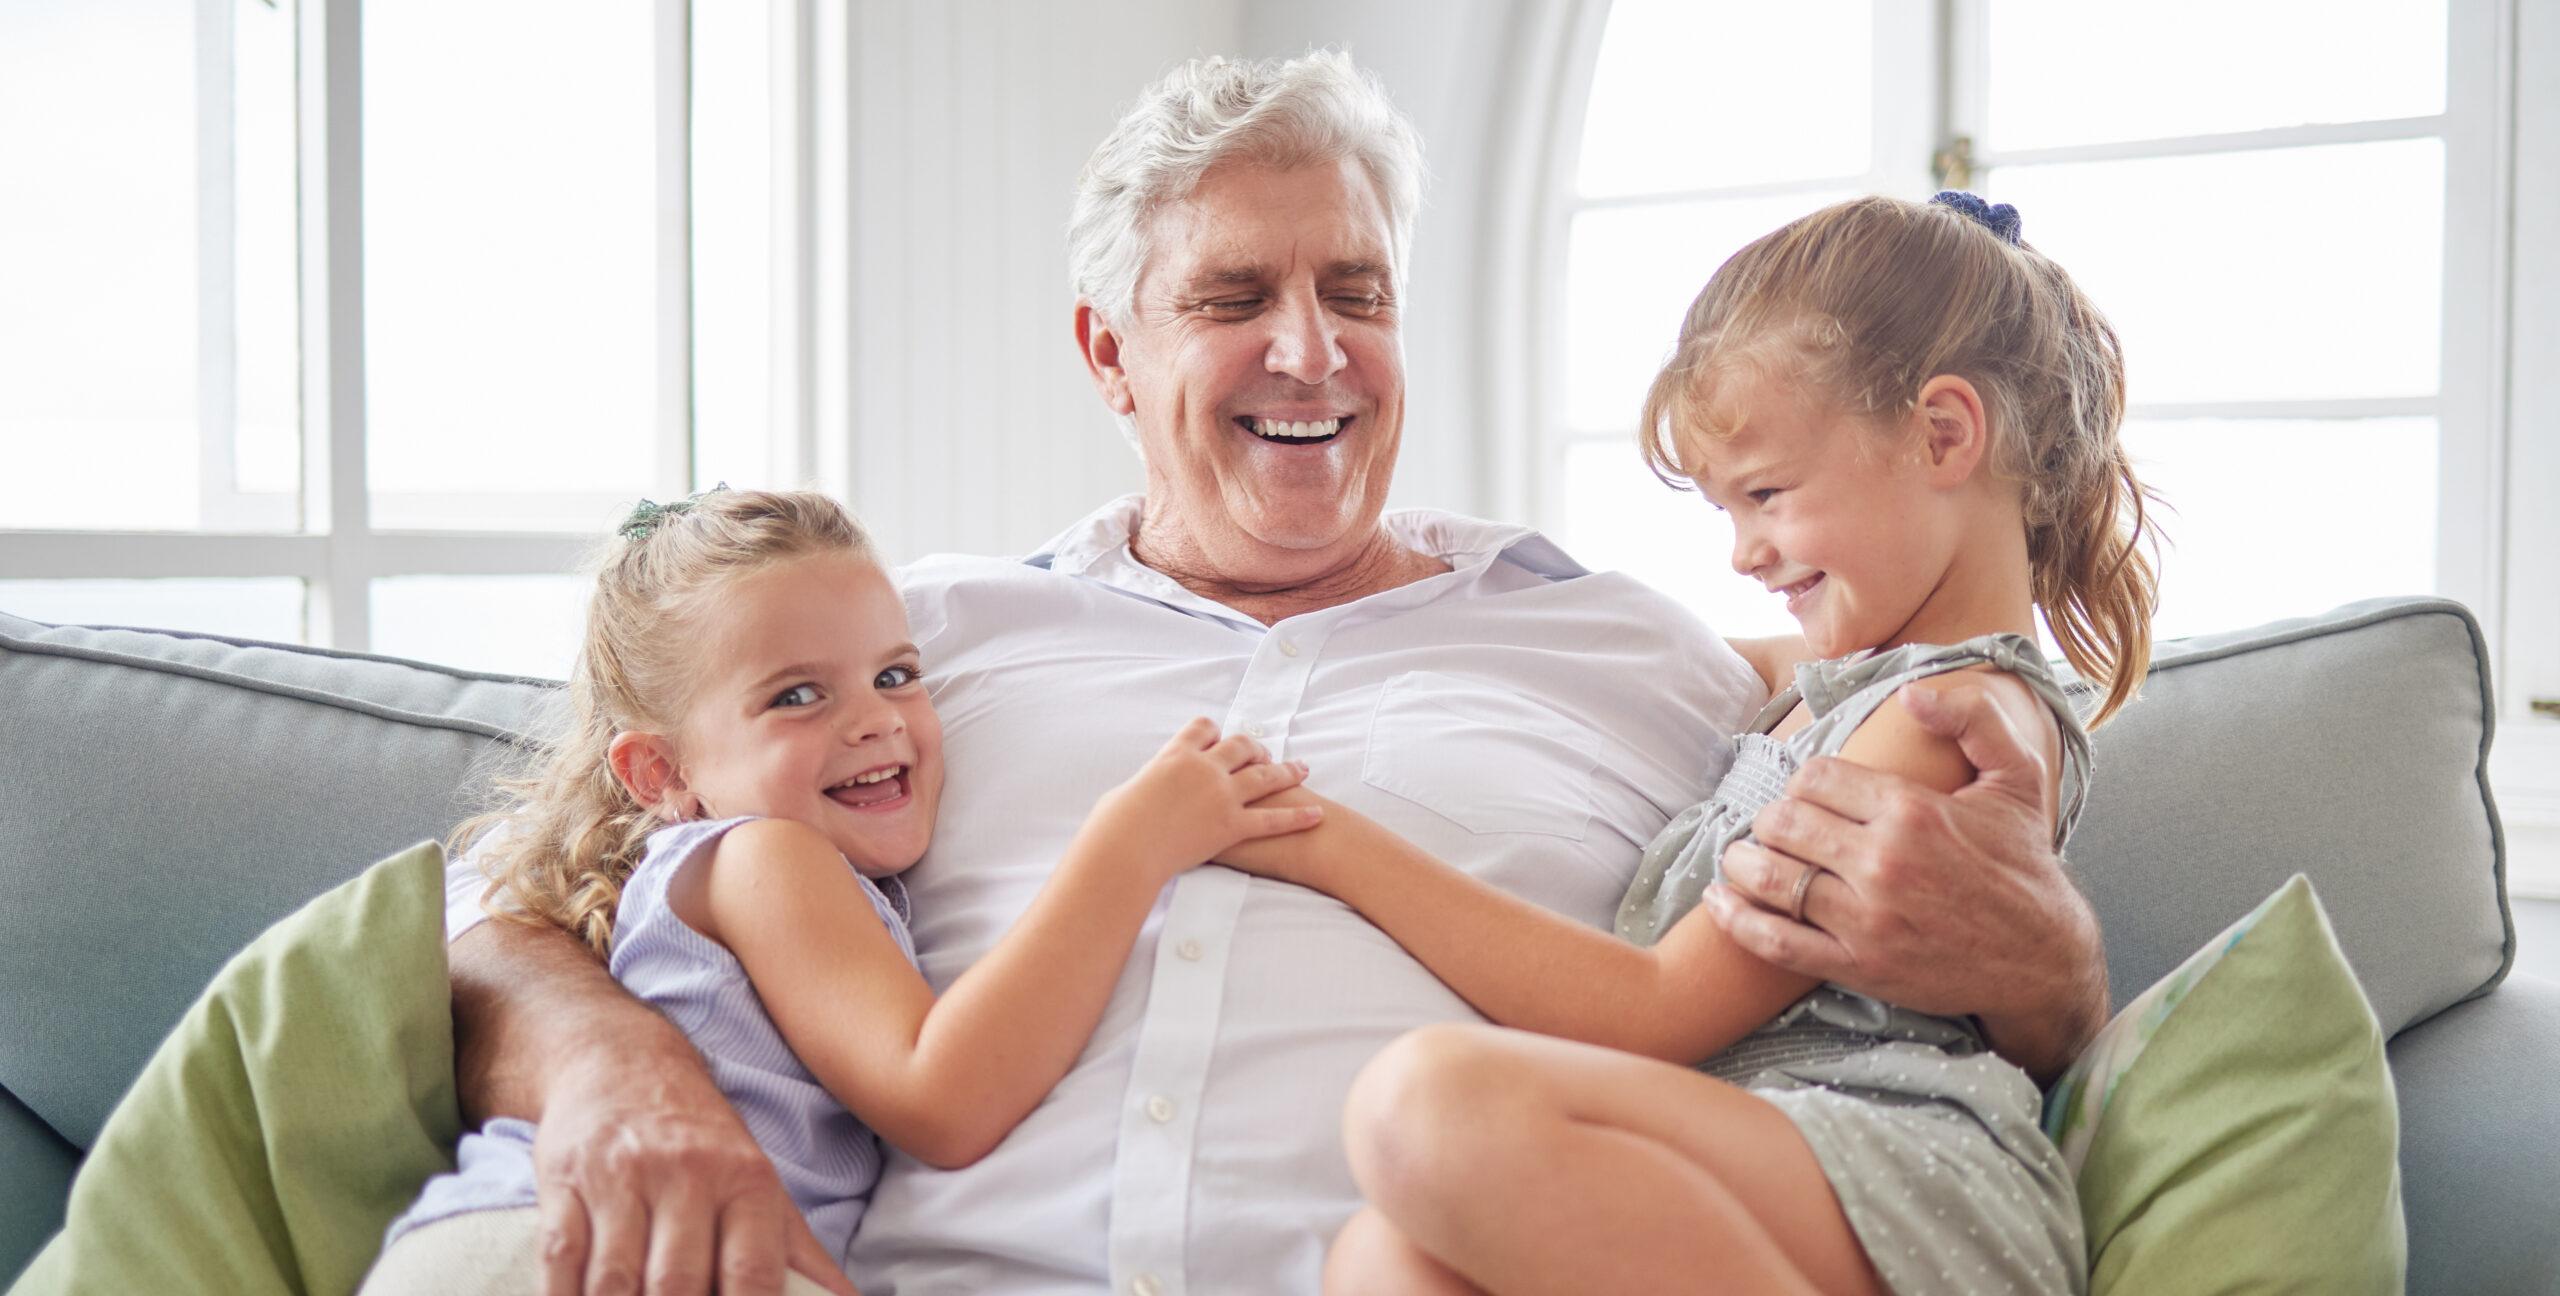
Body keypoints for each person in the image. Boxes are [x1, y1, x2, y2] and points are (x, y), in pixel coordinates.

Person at [439, 53, 2115, 1296]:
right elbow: (509, 900)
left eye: (1356, 294)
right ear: (1110, 350)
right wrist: (611, 1071)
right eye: (1236, 296)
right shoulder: (898, 657)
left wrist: (2052, 973)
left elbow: (1925, 743)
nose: (1310, 351)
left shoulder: (1637, 653)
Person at [1212, 192, 2156, 1295]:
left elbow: (1654, 1010)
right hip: (1766, 1156)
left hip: (1906, 1167)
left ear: (1942, 435)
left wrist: (1325, 844)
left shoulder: (1946, 719)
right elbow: (1676, 648)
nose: (1746, 553)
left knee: (1422, 1102)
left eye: (1766, 495)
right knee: (1380, 1260)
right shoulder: (1832, 684)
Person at [372, 488, 1320, 1294]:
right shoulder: (764, 859)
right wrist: (1129, 846)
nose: (873, 721)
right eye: (796, 696)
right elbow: (943, 1097)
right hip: (571, 1246)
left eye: (896, 675)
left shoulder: (745, 874)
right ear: (659, 772)